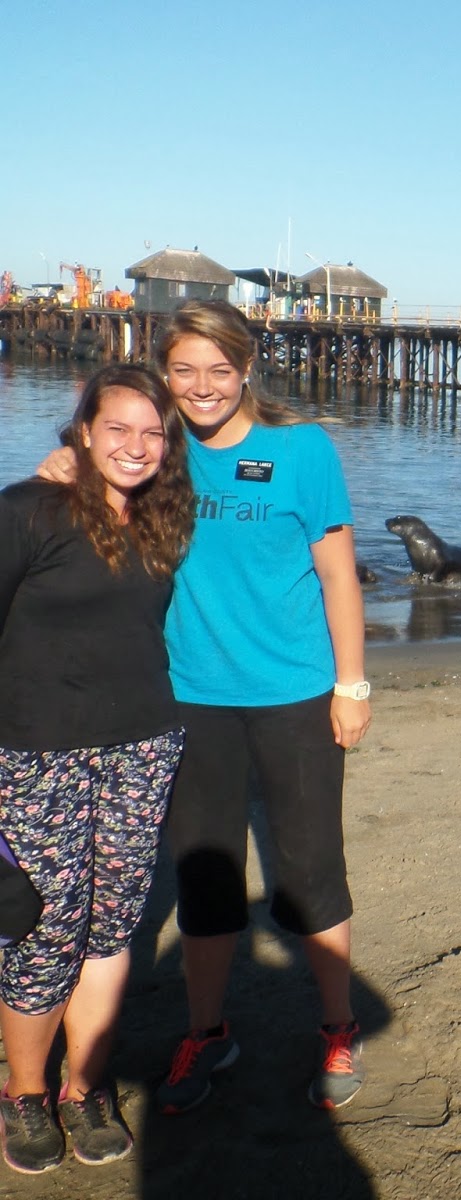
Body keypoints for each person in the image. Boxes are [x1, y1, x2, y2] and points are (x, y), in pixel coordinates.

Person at [39, 299, 373, 1116]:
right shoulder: (160, 448)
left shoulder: (302, 449)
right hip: (188, 695)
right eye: (183, 370)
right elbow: (102, 457)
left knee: (310, 870)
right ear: (164, 371)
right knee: (205, 873)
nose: (202, 386)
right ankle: (207, 1032)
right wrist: (65, 458)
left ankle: (338, 1026)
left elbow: (338, 574)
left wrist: (352, 685)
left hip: (295, 692)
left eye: (219, 369)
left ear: (247, 367)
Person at [0, 364, 194, 1173]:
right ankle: (26, 1093)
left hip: (142, 745)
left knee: (112, 926)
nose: (135, 446)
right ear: (83, 432)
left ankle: (85, 1087)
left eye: (153, 433)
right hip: (35, 752)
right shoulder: (27, 510)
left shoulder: (163, 519)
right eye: (117, 428)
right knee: (45, 926)